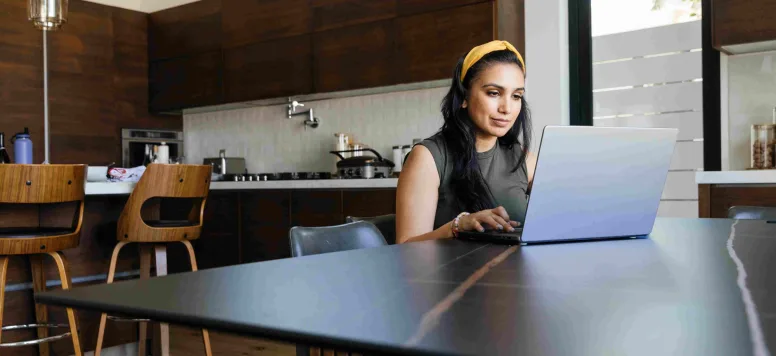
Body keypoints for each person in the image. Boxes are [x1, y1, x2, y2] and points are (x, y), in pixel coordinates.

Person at [396, 40, 537, 244]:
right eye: (494, 93)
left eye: (516, 96)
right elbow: (405, 247)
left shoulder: (523, 159)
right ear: (464, 97)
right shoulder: (428, 158)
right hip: (450, 275)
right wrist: (458, 226)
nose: (507, 108)